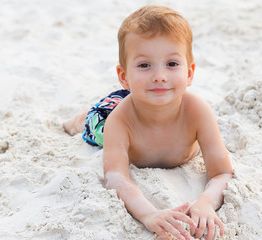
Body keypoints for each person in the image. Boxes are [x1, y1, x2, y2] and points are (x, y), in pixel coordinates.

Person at [63, 5, 233, 240]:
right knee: (93, 127)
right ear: (124, 76)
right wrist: (149, 215)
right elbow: (116, 176)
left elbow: (222, 172)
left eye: (172, 64)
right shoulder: (119, 122)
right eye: (144, 65)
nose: (159, 75)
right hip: (116, 112)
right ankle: (79, 117)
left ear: (190, 73)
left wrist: (205, 203)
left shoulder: (197, 111)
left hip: (142, 95)